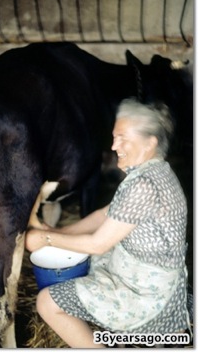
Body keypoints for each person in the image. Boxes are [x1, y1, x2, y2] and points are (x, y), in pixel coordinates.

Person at [26, 99, 190, 348]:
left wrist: (46, 239)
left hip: (147, 292)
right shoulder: (152, 171)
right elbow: (106, 214)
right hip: (145, 274)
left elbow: (99, 243)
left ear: (150, 143)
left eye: (122, 138)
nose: (114, 146)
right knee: (88, 258)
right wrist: (57, 231)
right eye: (114, 137)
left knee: (46, 302)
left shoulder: (144, 185)